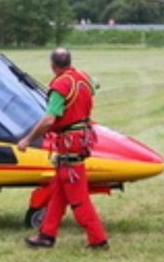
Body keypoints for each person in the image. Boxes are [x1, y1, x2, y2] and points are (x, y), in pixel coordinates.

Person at [19, 47, 109, 250]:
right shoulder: (83, 78)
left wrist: (28, 139)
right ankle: (46, 235)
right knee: (59, 192)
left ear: (52, 66)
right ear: (69, 62)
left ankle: (98, 239)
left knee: (78, 198)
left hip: (69, 144)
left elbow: (49, 119)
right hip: (81, 139)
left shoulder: (60, 85)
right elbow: (97, 84)